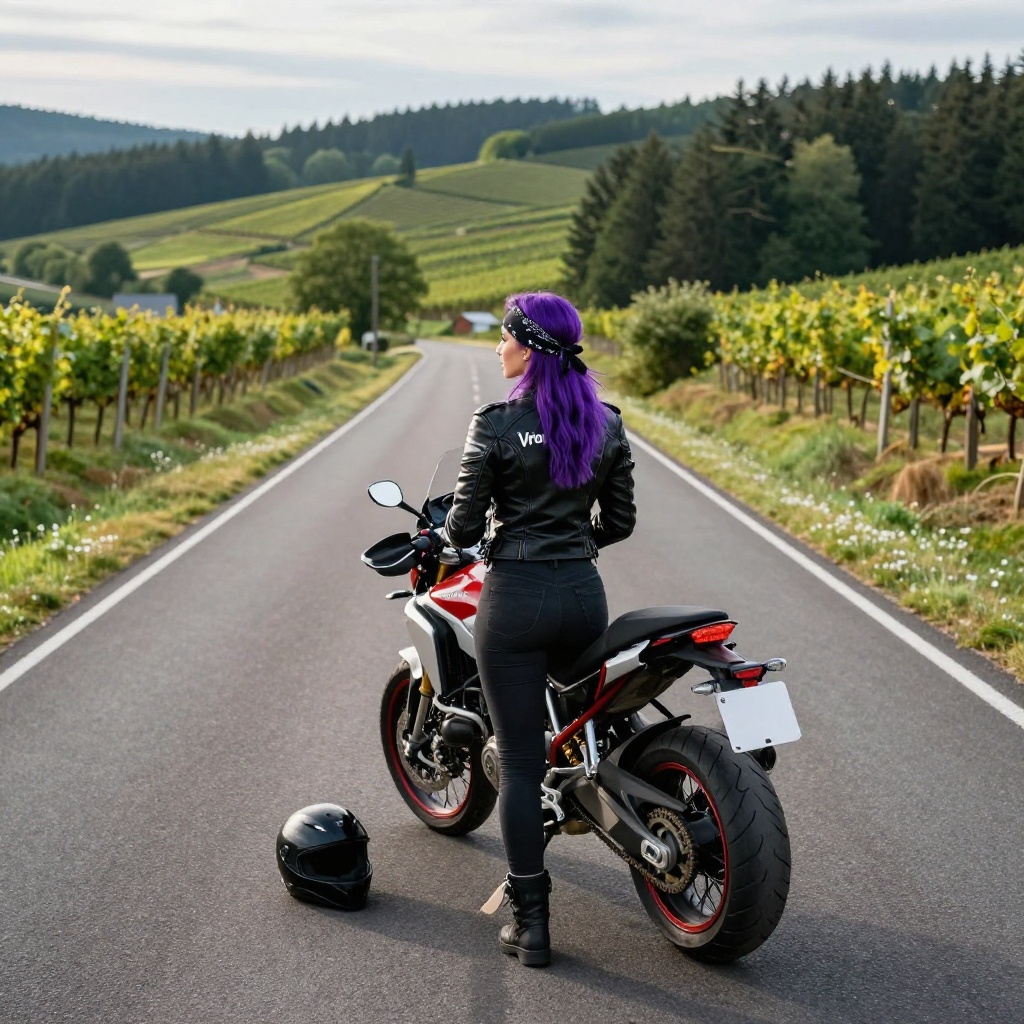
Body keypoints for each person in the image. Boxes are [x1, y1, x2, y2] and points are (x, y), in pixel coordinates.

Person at [444, 291, 636, 967]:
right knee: (589, 726)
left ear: (526, 347)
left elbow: (463, 528)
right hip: (585, 598)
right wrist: (572, 541)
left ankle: (531, 926)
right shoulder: (605, 422)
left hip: (516, 599)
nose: (497, 348)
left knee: (522, 765)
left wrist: (475, 532)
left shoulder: (495, 424)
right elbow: (620, 523)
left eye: (503, 338)